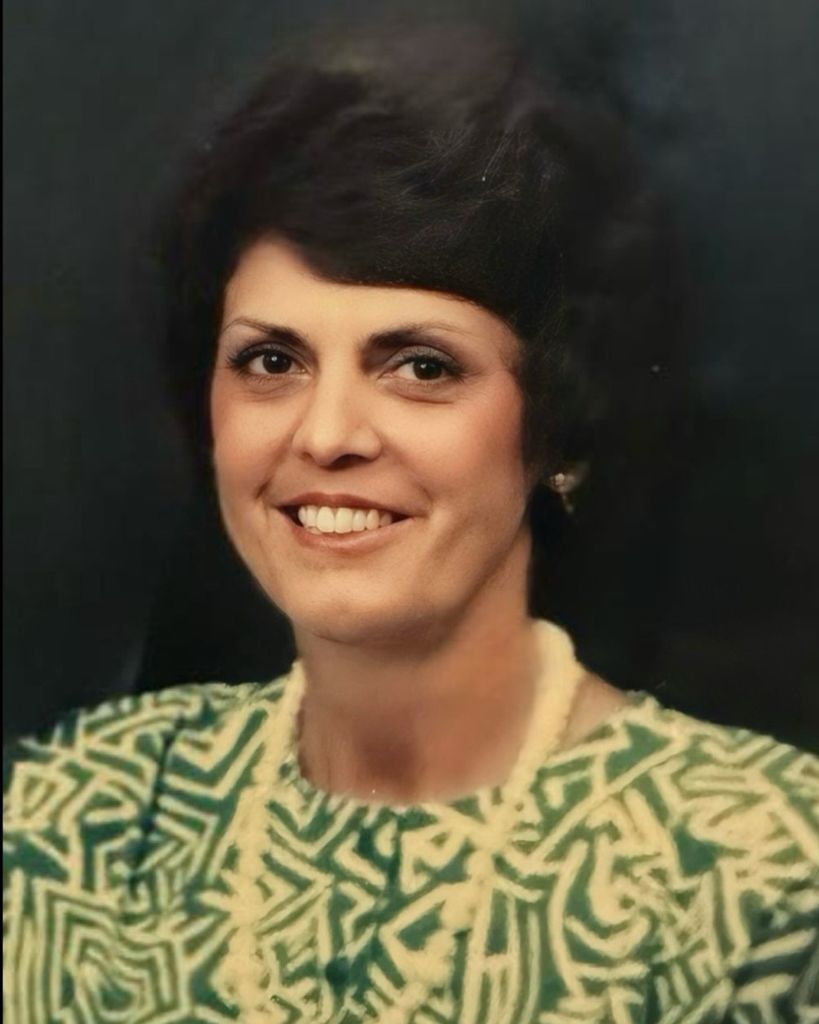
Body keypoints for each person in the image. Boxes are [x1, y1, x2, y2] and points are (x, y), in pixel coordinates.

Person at [3, 17, 817, 1024]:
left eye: (421, 367)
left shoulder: (758, 870)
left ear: (558, 431)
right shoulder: (79, 811)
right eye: (271, 361)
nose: (327, 434)